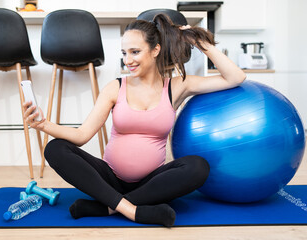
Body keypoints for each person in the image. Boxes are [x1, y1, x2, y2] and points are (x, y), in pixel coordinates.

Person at [23, 14, 246, 227]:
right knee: (55, 148)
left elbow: (236, 77)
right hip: (109, 178)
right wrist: (44, 125)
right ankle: (132, 210)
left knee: (198, 167)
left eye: (135, 52)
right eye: (124, 53)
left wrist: (199, 42)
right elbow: (81, 136)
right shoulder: (116, 87)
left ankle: (108, 207)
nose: (128, 60)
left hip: (153, 184)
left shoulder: (177, 86)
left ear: (155, 50)